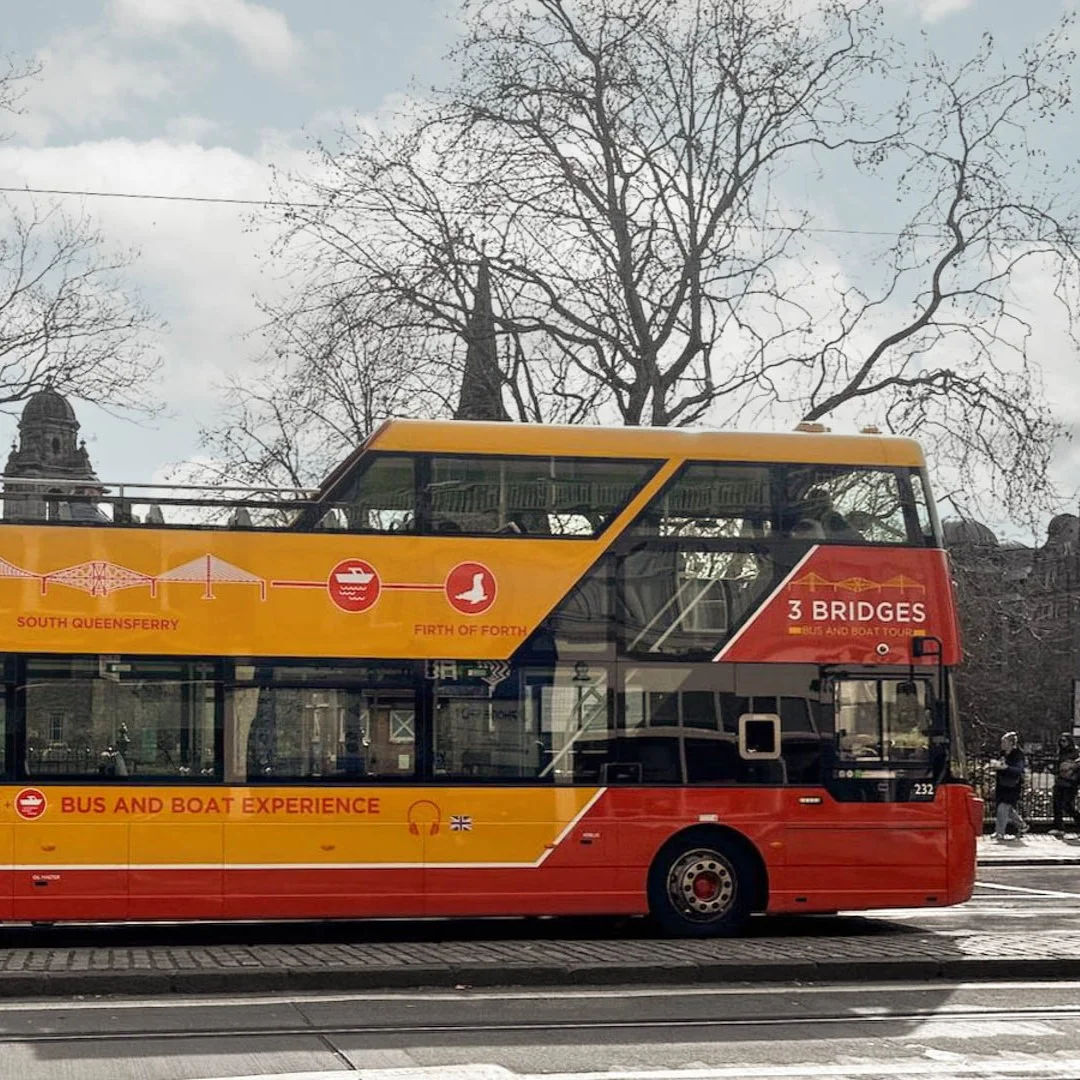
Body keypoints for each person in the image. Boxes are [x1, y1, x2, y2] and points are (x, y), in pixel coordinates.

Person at [993, 731, 1028, 840]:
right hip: (1002, 784)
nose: (1002, 744)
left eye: (1004, 742)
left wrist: (1006, 768)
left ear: (1011, 743)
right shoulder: (1002, 754)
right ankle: (1022, 826)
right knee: (1008, 809)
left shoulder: (1018, 755)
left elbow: (1019, 770)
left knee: (1002, 808)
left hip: (1013, 785)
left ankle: (1000, 832)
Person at [1051, 732, 1080, 837]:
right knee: (1056, 804)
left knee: (1068, 805)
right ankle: (1058, 827)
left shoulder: (1075, 751)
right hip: (1060, 780)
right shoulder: (1060, 752)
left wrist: (1070, 768)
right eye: (1061, 741)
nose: (1062, 743)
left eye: (1064, 741)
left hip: (1071, 781)